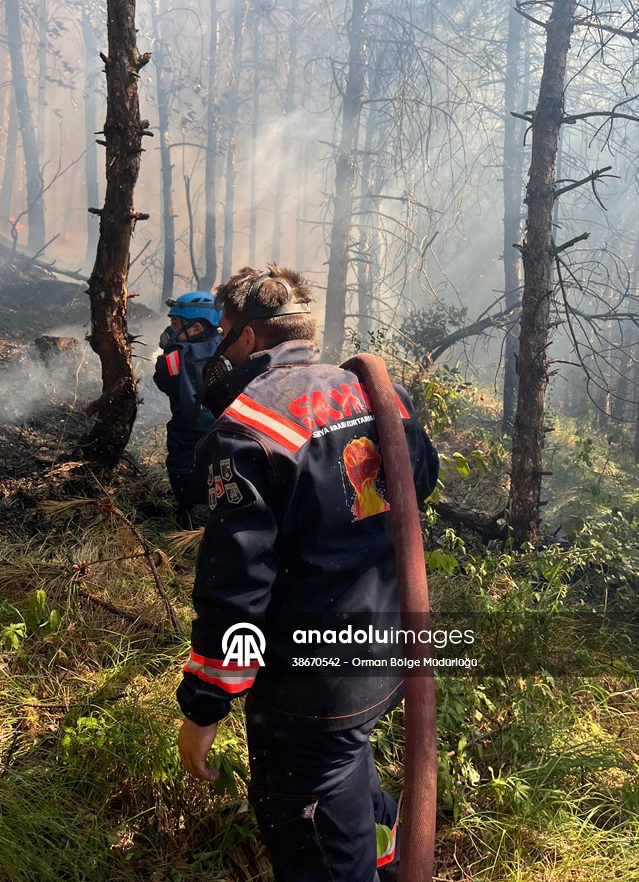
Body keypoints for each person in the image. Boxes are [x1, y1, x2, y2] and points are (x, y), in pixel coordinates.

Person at [176, 265, 439, 882]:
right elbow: (418, 482)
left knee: (317, 841)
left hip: (308, 692)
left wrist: (205, 709)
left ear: (245, 338)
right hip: (385, 656)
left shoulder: (247, 429)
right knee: (355, 778)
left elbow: (237, 589)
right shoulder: (377, 393)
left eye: (222, 332)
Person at [153, 292, 221, 518]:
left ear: (196, 328)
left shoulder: (174, 359)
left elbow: (163, 382)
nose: (170, 331)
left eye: (175, 324)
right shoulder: (228, 349)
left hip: (188, 442)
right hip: (226, 436)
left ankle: (193, 514)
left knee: (186, 468)